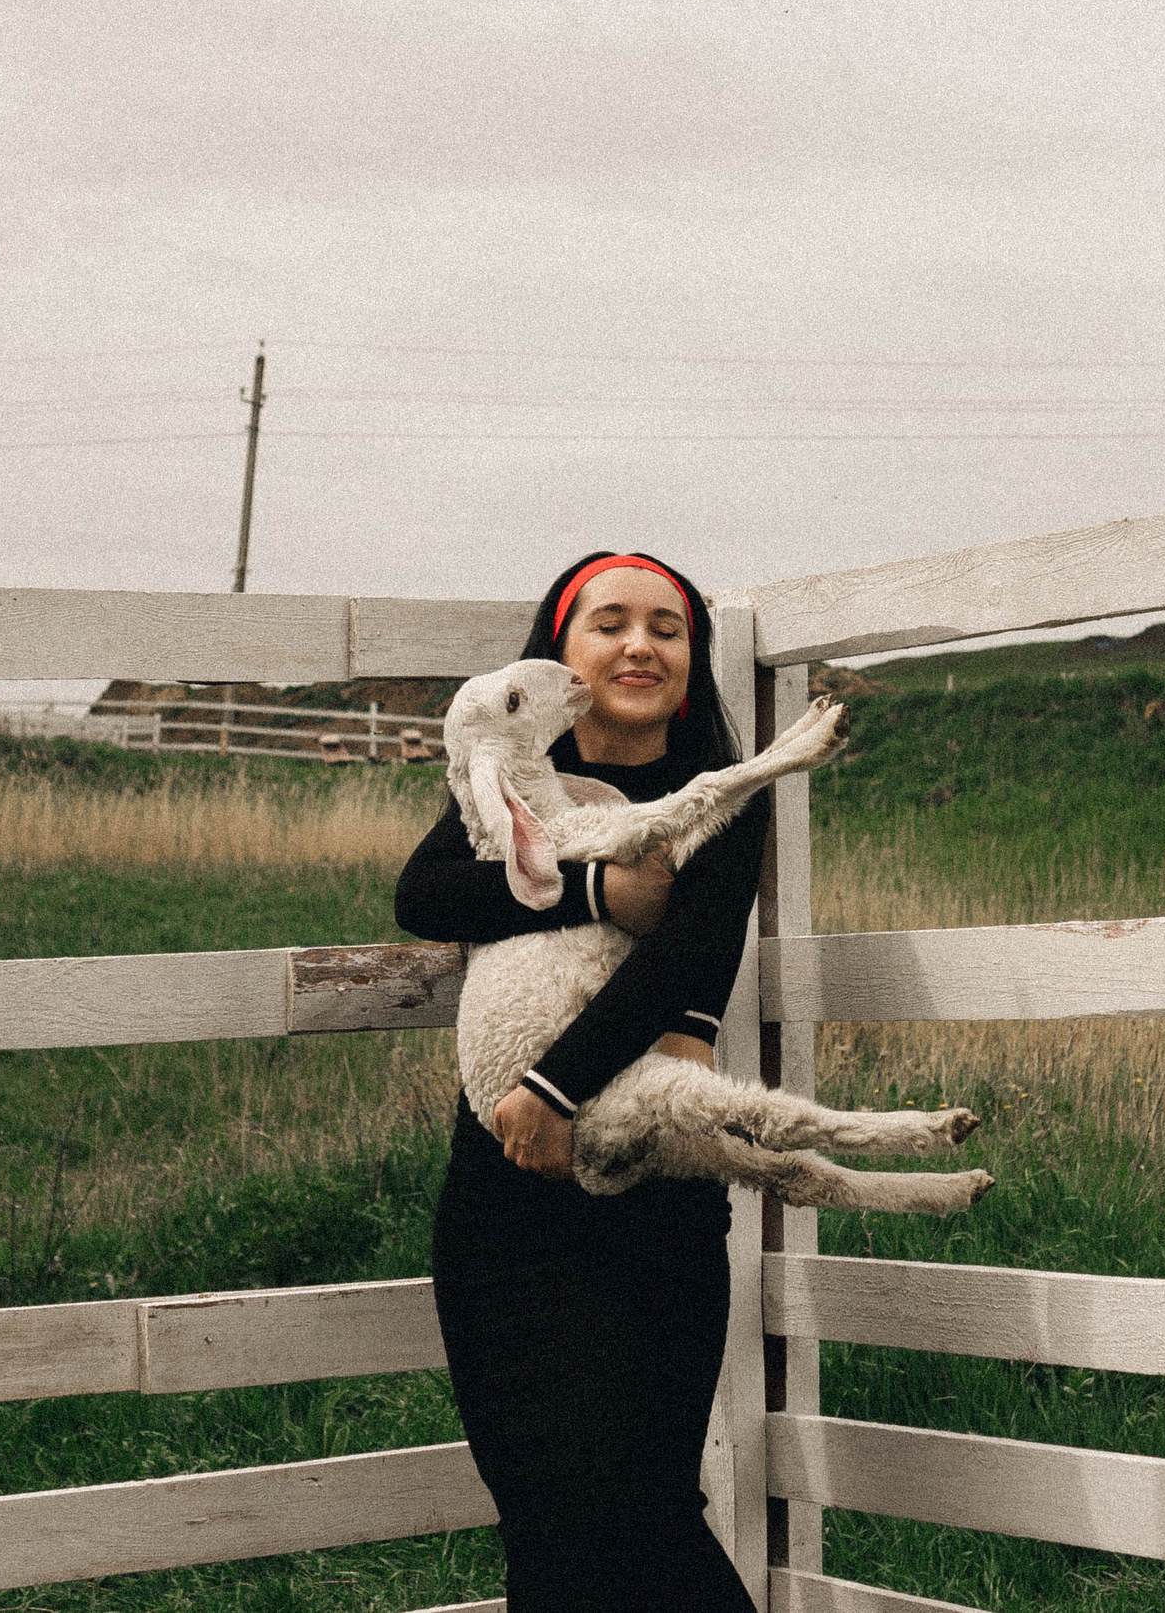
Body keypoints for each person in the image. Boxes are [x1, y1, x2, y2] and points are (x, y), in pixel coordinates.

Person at [395, 551, 767, 1612]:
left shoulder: (720, 806)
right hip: (500, 1209)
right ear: (558, 655)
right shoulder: (509, 784)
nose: (639, 645)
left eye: (667, 627)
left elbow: (684, 960)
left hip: (647, 1194)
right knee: (545, 1518)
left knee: (636, 1507)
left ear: (691, 664)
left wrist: (550, 1091)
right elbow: (425, 895)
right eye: (609, 623)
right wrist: (597, 886)